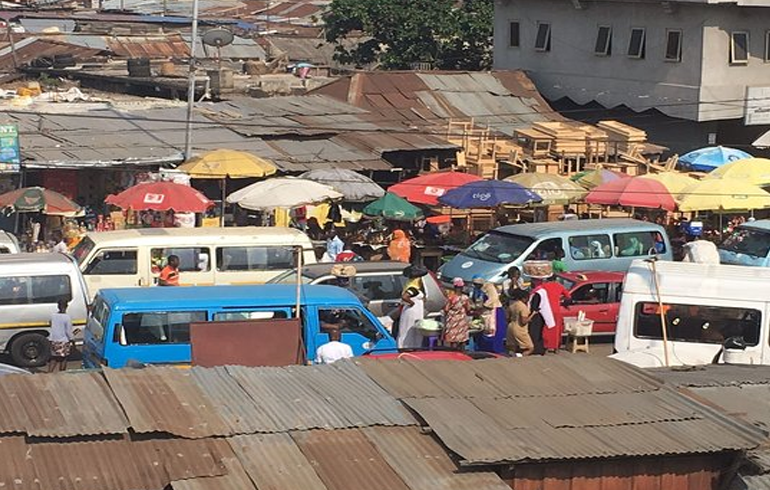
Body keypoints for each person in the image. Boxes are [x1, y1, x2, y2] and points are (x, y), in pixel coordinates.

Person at [529, 269, 571, 354]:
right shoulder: (559, 286)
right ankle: (556, 348)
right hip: (557, 310)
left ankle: (546, 346)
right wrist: (562, 301)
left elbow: (535, 293)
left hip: (545, 310)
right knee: (556, 329)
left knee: (545, 329)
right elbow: (568, 297)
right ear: (555, 279)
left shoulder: (543, 286)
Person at [47, 299, 79, 372]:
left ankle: (49, 373)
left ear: (58, 306)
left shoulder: (53, 316)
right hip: (64, 341)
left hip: (54, 340)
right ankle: (62, 373)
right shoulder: (67, 317)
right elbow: (68, 332)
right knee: (63, 358)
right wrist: (73, 341)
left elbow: (50, 324)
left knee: (54, 358)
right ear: (66, 306)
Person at [442, 278, 472, 350]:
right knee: (462, 337)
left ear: (454, 287)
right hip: (462, 319)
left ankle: (453, 351)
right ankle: (462, 351)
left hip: (452, 319)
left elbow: (446, 309)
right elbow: (468, 309)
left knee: (453, 338)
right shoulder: (465, 297)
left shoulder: (451, 297)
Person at [507, 288, 535, 356]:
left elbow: (507, 317)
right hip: (519, 328)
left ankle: (512, 357)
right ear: (524, 298)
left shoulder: (512, 304)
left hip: (511, 327)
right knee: (530, 348)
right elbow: (523, 321)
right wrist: (533, 315)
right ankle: (520, 356)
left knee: (512, 347)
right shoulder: (523, 307)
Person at [397, 281, 424, 349]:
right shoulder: (412, 289)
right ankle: (406, 346)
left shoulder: (417, 290)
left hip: (416, 312)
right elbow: (405, 297)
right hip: (412, 312)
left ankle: (413, 345)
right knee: (408, 328)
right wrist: (412, 303)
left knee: (414, 328)